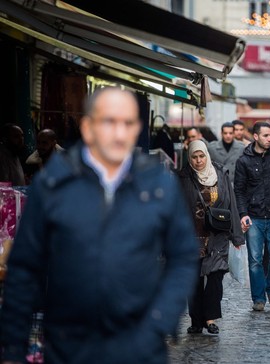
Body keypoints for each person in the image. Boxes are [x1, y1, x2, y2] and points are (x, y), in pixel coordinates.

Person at [0, 87, 198, 363]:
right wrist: (12, 349)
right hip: (69, 345)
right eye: (109, 121)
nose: (119, 132)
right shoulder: (55, 183)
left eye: (127, 123)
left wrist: (160, 319)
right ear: (88, 126)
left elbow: (184, 256)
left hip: (140, 345)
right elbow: (24, 266)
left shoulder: (158, 183)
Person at [177, 140, 244, 335]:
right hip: (192, 236)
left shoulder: (220, 174)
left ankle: (210, 318)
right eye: (195, 157)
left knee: (216, 278)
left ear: (207, 155)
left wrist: (237, 237)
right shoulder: (183, 177)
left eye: (201, 156)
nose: (198, 161)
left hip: (217, 236)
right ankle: (196, 321)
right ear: (190, 158)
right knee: (194, 281)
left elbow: (231, 204)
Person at [234, 121, 270, 311]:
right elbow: (239, 191)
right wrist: (243, 214)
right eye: (266, 135)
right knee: (255, 260)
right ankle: (258, 298)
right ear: (256, 136)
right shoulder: (244, 161)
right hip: (254, 217)